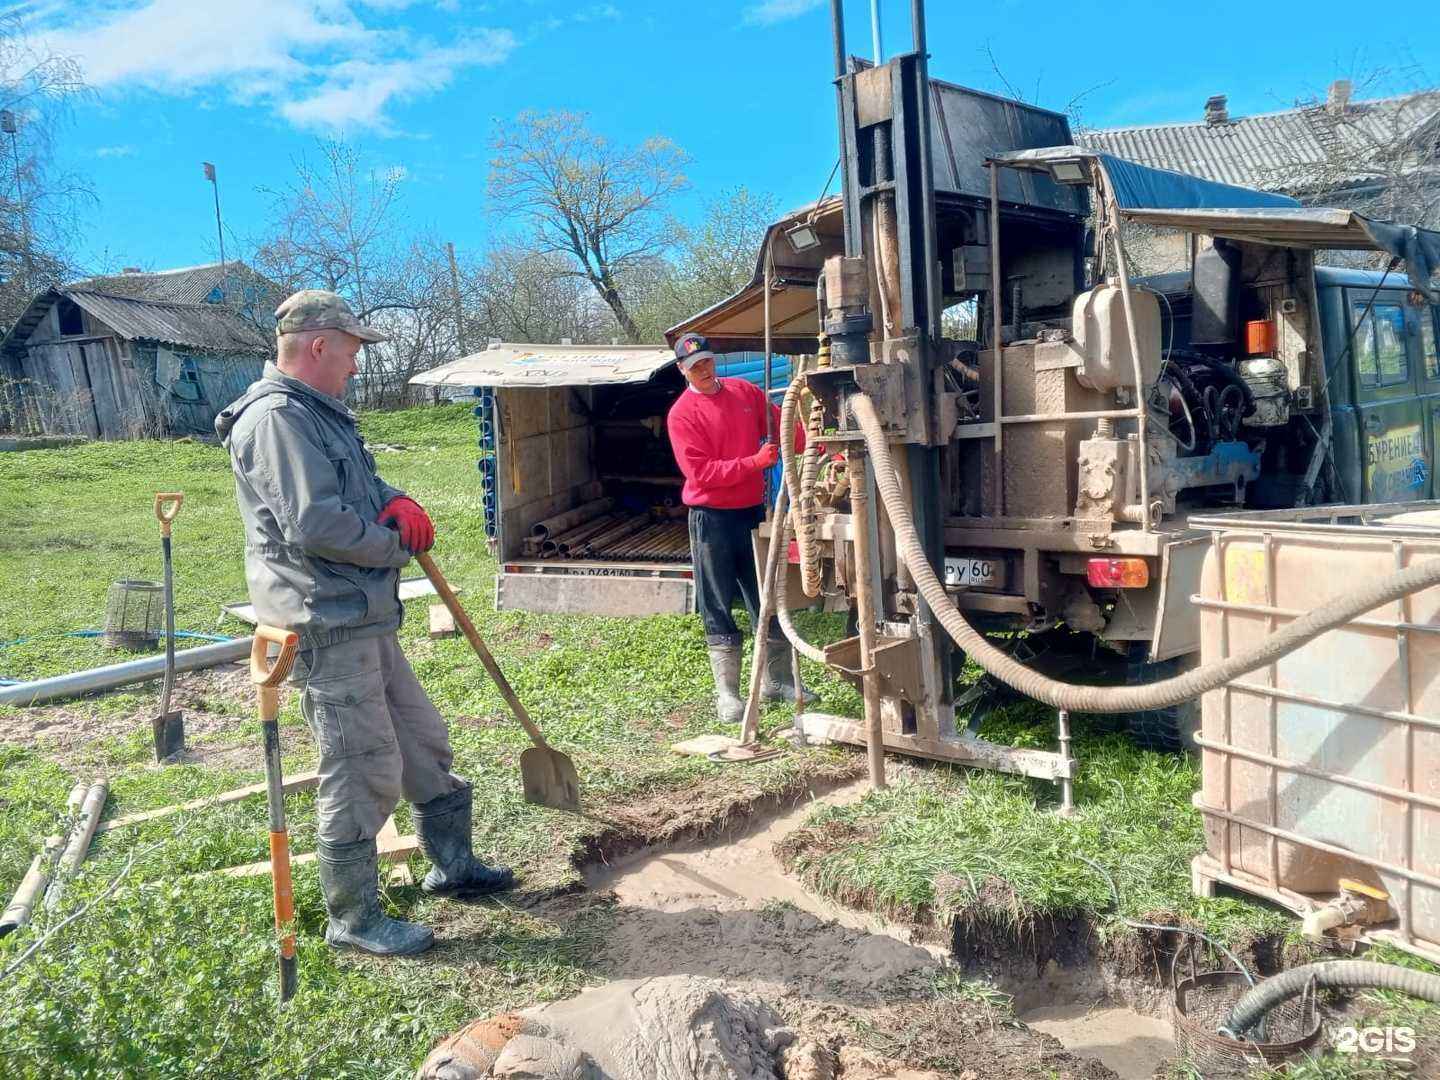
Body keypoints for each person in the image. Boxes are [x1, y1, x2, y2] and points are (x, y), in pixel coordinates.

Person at [216, 289, 513, 958]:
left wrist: (395, 500)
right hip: (325, 619)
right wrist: (394, 548)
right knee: (360, 766)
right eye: (350, 352)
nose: (354, 366)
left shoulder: (321, 414)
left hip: (362, 615)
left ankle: (454, 865)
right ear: (318, 345)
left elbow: (360, 492)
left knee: (421, 740)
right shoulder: (274, 421)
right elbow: (316, 523)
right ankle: (352, 919)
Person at [666, 332, 813, 724]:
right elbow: (700, 473)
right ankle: (727, 694)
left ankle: (776, 680)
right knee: (717, 601)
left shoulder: (744, 391)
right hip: (711, 518)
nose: (705, 370)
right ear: (682, 370)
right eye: (695, 366)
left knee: (765, 594)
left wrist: (809, 440)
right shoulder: (682, 415)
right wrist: (753, 463)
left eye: (708, 362)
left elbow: (782, 430)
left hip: (752, 513)